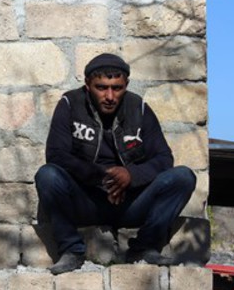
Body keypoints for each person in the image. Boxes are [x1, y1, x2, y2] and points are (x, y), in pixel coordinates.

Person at [34, 53, 196, 275]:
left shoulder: (139, 108)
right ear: (88, 85)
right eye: (101, 87)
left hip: (130, 203)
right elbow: (56, 155)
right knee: (48, 175)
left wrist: (131, 175)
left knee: (183, 177)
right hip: (86, 201)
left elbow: (164, 158)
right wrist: (101, 175)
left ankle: (143, 248)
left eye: (117, 88)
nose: (109, 96)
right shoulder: (70, 104)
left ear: (126, 85)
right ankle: (72, 250)